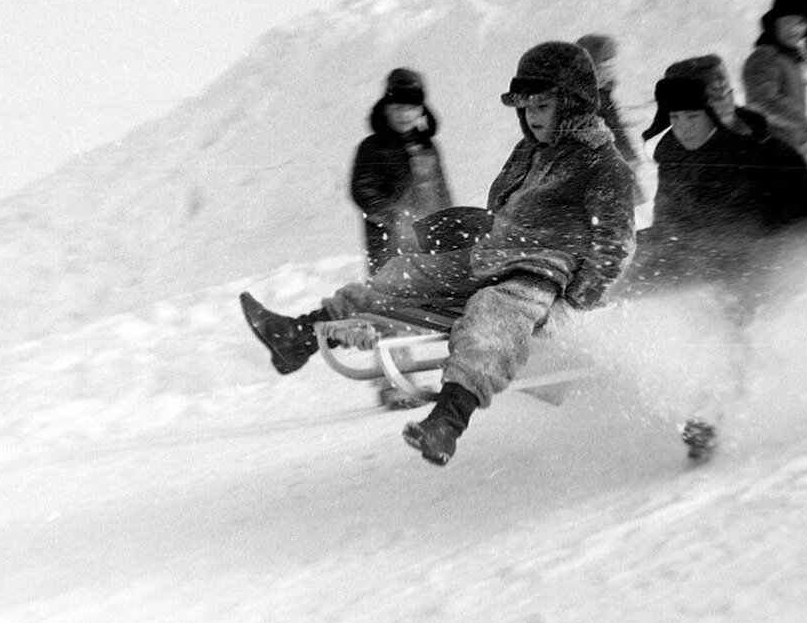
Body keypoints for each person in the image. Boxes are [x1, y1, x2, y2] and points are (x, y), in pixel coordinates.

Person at [240, 42, 636, 466]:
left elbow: (616, 242)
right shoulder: (529, 152)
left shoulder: (601, 164)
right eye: (526, 107)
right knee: (405, 273)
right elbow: (500, 209)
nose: (533, 116)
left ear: (572, 103)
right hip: (490, 257)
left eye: (543, 105)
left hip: (540, 274)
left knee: (490, 317)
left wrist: (572, 304)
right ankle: (298, 336)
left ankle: (447, 421)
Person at [621, 54, 807, 461]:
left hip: (772, 257)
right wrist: (630, 255)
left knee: (726, 318)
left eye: (691, 116)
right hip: (704, 254)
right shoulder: (674, 155)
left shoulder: (765, 152)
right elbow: (670, 224)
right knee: (618, 270)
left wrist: (784, 268)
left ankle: (710, 413)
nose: (681, 127)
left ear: (717, 111)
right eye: (675, 117)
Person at [350, 68, 453, 276]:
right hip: (389, 242)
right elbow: (362, 189)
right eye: (397, 107)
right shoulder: (373, 148)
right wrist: (392, 215)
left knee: (433, 293)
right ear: (385, 109)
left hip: (429, 239)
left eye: (411, 108)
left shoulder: (428, 147)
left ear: (422, 110)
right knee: (393, 294)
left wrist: (450, 223)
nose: (404, 115)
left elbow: (441, 191)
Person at [741, 0, 807, 157]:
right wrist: (802, 123)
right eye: (787, 21)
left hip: (791, 157)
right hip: (769, 157)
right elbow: (761, 101)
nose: (794, 29)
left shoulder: (790, 61)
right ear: (775, 22)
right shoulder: (764, 58)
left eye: (801, 22)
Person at [575, 34, 645, 204]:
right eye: (604, 65)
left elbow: (615, 127)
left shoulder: (603, 95)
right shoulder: (582, 102)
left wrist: (629, 155)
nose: (609, 71)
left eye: (611, 65)